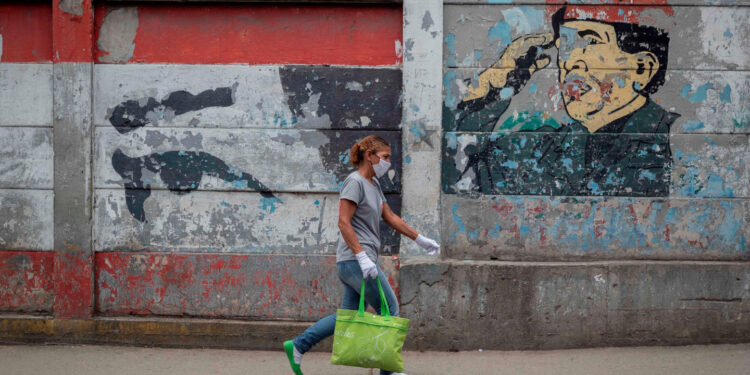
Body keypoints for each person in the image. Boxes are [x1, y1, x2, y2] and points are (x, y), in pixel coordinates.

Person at [444, 4, 679, 197]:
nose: (570, 61)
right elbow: (455, 178)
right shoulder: (541, 149)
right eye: (566, 45)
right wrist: (493, 87)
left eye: (591, 41)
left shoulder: (678, 145)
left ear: (642, 68)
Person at [283, 135, 440, 375]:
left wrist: (419, 238)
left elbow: (390, 217)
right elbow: (343, 223)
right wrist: (362, 257)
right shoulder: (354, 182)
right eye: (385, 157)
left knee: (349, 317)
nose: (388, 163)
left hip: (358, 261)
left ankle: (298, 345)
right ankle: (389, 370)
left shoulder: (374, 184)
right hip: (355, 261)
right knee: (390, 309)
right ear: (370, 155)